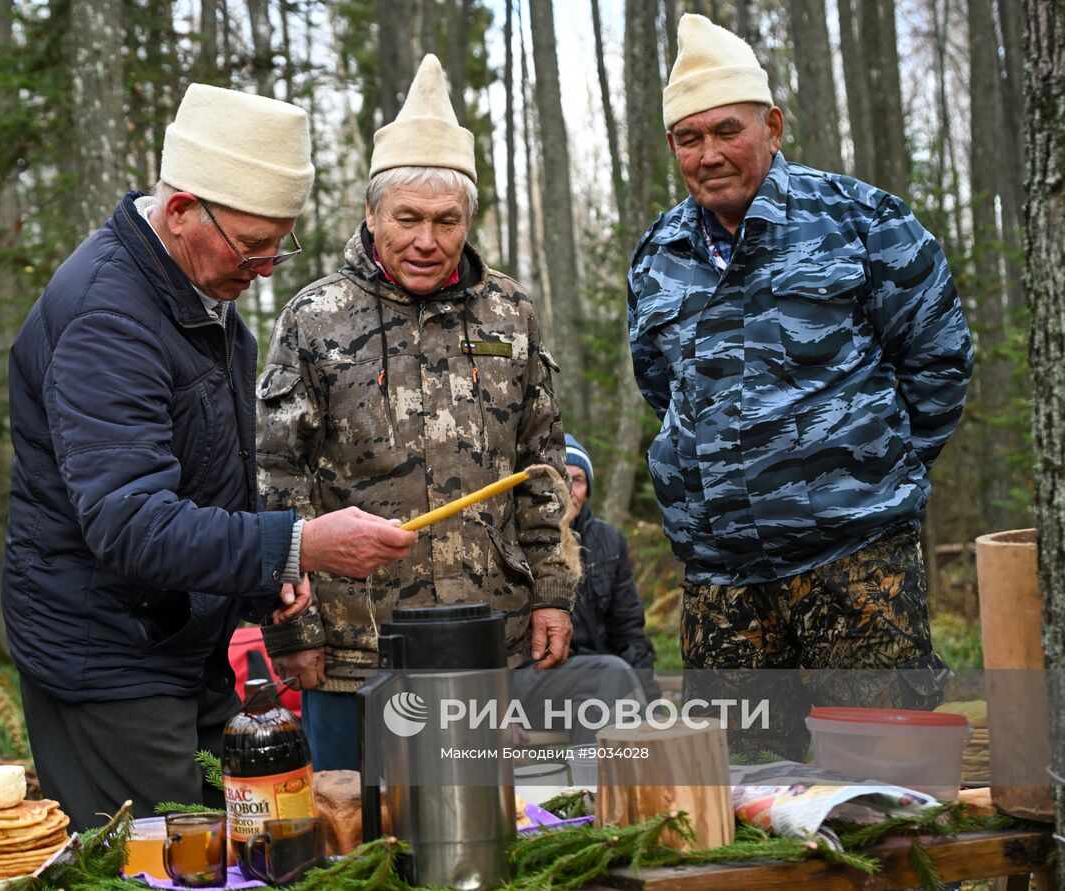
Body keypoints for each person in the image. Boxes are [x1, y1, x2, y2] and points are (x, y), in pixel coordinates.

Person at [1, 83, 417, 829]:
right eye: (252, 245)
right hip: (109, 659)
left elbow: (203, 478)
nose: (265, 267)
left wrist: (266, 576)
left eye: (277, 245)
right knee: (151, 862)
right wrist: (296, 543)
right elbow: (131, 522)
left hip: (182, 643)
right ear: (182, 208)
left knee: (237, 843)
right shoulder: (108, 315)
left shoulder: (199, 296)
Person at [628, 15, 972, 755]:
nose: (710, 155)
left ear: (773, 126)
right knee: (744, 802)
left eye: (728, 131)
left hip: (854, 567)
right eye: (690, 139)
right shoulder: (659, 255)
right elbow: (663, 387)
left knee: (882, 792)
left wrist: (869, 470)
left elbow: (938, 360)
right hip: (722, 582)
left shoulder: (862, 221)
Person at [256, 55, 577, 770]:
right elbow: (278, 482)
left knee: (483, 838)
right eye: (407, 218)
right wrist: (294, 627)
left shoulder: (510, 312)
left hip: (484, 636)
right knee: (354, 841)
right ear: (371, 214)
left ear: (468, 220)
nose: (427, 240)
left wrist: (553, 591)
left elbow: (543, 465)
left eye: (445, 220)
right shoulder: (315, 318)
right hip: (353, 643)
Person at [562, 434, 660, 702]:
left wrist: (649, 697)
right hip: (553, 675)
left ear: (588, 489)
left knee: (623, 705)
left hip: (604, 671)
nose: (570, 490)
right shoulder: (525, 542)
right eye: (562, 479)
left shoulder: (609, 541)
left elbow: (627, 628)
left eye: (578, 480)